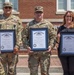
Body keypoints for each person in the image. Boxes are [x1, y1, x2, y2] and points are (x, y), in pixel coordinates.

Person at [22, 6, 56, 75]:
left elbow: (53, 36)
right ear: (34, 14)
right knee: (33, 73)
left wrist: (51, 46)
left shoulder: (48, 24)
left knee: (45, 73)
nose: (39, 14)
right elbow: (24, 37)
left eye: (40, 12)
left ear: (43, 13)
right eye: (37, 12)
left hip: (45, 54)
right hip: (33, 54)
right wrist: (27, 47)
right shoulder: (29, 25)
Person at [0, 2, 23, 75]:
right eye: (6, 7)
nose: (8, 9)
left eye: (9, 7)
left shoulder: (17, 19)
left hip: (13, 50)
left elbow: (20, 33)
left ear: (11, 9)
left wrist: (17, 45)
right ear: (3, 8)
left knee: (12, 71)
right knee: (1, 72)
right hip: (1, 51)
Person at [57, 11, 74, 75]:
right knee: (65, 71)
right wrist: (58, 38)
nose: (68, 18)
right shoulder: (61, 28)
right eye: (67, 16)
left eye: (70, 16)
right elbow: (57, 42)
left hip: (73, 53)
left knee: (72, 71)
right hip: (63, 52)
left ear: (72, 18)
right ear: (64, 17)